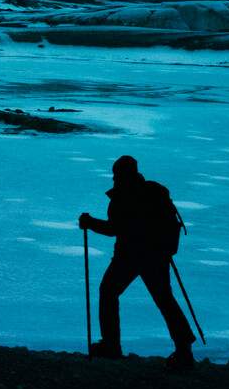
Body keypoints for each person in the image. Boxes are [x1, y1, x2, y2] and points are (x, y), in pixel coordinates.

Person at [78, 154, 195, 368]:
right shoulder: (154, 192)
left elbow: (114, 229)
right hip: (156, 255)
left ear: (121, 174)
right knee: (164, 300)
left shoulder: (124, 196)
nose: (114, 179)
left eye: (116, 175)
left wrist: (89, 223)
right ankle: (184, 349)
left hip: (130, 256)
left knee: (108, 291)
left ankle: (111, 346)